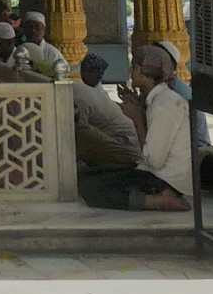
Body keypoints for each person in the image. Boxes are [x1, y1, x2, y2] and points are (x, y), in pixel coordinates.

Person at [77, 45, 192, 212]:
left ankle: (158, 201)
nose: (131, 70)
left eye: (136, 67)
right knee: (87, 174)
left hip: (167, 180)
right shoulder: (157, 100)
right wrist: (139, 109)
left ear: (148, 73)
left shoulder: (164, 105)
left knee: (92, 188)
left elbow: (154, 160)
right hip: (157, 174)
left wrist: (137, 119)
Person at [71, 54, 141, 168]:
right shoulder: (81, 91)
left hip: (125, 142)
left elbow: (78, 132)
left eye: (89, 71)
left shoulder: (80, 98)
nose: (84, 74)